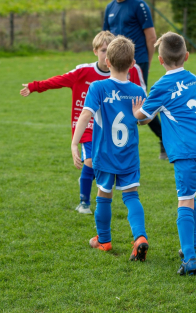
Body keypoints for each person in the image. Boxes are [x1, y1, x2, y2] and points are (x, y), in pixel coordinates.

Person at [20, 31, 145, 215]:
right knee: (91, 161)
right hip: (87, 128)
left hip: (110, 131)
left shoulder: (127, 73)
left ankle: (92, 187)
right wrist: (34, 86)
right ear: (95, 51)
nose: (105, 54)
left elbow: (140, 96)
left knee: (98, 166)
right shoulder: (83, 71)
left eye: (109, 50)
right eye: (103, 50)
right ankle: (85, 202)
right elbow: (58, 81)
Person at [133, 32, 196, 276]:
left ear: (160, 60)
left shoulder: (161, 86)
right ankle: (193, 247)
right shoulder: (192, 77)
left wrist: (136, 111)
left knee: (184, 199)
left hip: (187, 149)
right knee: (191, 196)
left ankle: (190, 259)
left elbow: (144, 116)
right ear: (187, 56)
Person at [71, 36, 150, 262]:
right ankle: (140, 238)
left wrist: (74, 143)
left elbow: (86, 114)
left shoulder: (98, 87)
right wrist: (138, 116)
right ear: (133, 63)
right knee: (131, 196)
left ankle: (104, 241)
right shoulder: (137, 91)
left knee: (104, 196)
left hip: (104, 155)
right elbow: (145, 121)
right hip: (129, 155)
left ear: (107, 61)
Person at [103, 0, 166, 160]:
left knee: (140, 103)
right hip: (115, 65)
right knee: (115, 103)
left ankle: (164, 138)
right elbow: (105, 38)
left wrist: (145, 62)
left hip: (137, 64)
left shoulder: (139, 5)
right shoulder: (109, 9)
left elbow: (151, 37)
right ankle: (117, 147)